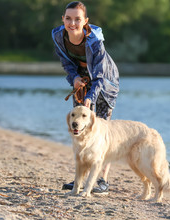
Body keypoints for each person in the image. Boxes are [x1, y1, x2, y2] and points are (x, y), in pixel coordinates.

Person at [51, 1, 119, 194]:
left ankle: (102, 181)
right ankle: (79, 180)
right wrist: (74, 79)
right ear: (63, 19)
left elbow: (99, 77)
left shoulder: (95, 41)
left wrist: (90, 98)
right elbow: (67, 64)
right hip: (81, 81)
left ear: (85, 21)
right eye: (68, 18)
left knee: (103, 130)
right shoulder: (58, 36)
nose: (72, 23)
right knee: (79, 129)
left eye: (77, 19)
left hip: (105, 82)